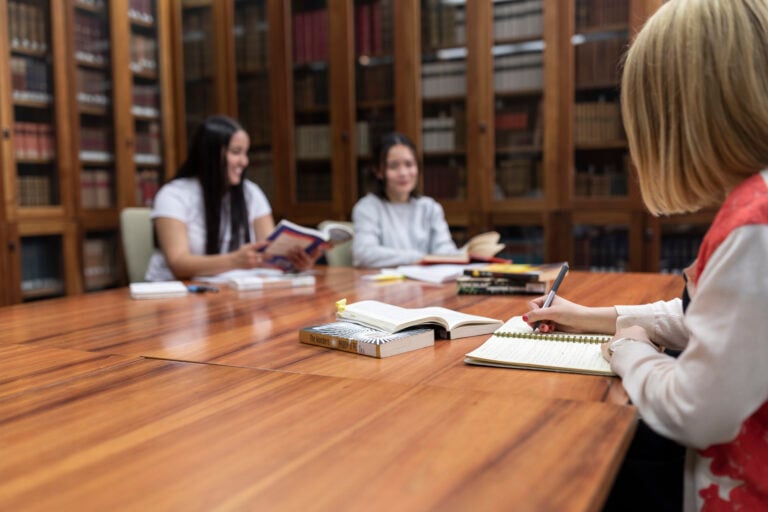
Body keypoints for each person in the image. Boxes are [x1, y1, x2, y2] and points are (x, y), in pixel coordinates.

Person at [525, 1, 768, 510]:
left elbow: (694, 408)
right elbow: (722, 324)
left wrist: (630, 351)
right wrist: (589, 317)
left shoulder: (753, 225)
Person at [145, 115, 317, 281]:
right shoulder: (173, 195)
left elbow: (269, 254)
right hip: (175, 295)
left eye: (245, 153)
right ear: (210, 155)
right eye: (236, 152)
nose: (244, 161)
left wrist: (294, 263)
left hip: (229, 291)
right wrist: (235, 261)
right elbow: (178, 264)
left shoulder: (251, 193)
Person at [352, 132, 460, 268]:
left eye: (409, 164)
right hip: (384, 287)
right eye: (393, 166)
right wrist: (421, 257)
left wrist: (461, 255)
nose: (403, 173)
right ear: (378, 171)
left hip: (427, 285)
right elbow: (364, 254)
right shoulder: (367, 208)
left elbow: (445, 251)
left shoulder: (430, 207)